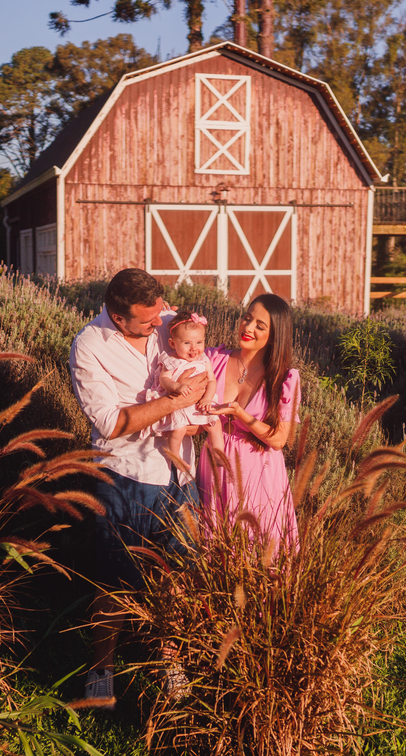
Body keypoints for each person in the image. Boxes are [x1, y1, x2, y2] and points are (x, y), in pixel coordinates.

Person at [69, 268, 208, 709]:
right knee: (115, 580)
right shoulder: (89, 345)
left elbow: (202, 365)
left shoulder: (166, 319)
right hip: (126, 476)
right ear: (116, 315)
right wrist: (173, 403)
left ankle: (170, 661)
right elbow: (111, 424)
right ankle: (101, 670)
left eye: (159, 315)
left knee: (178, 574)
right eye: (147, 321)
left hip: (179, 474)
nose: (158, 324)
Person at [199, 294, 301, 553]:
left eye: (259, 325)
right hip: (215, 459)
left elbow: (279, 440)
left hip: (259, 469)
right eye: (247, 318)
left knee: (259, 547)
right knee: (214, 546)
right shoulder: (214, 359)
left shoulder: (285, 378)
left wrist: (240, 414)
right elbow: (177, 351)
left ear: (275, 334)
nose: (248, 328)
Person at [150, 309, 225, 480]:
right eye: (187, 343)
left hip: (200, 402)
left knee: (215, 425)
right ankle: (174, 456)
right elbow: (164, 380)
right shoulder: (171, 360)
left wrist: (207, 398)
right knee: (179, 429)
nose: (194, 348)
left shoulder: (204, 360)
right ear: (172, 343)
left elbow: (212, 381)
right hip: (180, 403)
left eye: (199, 342)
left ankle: (219, 454)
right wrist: (177, 386)